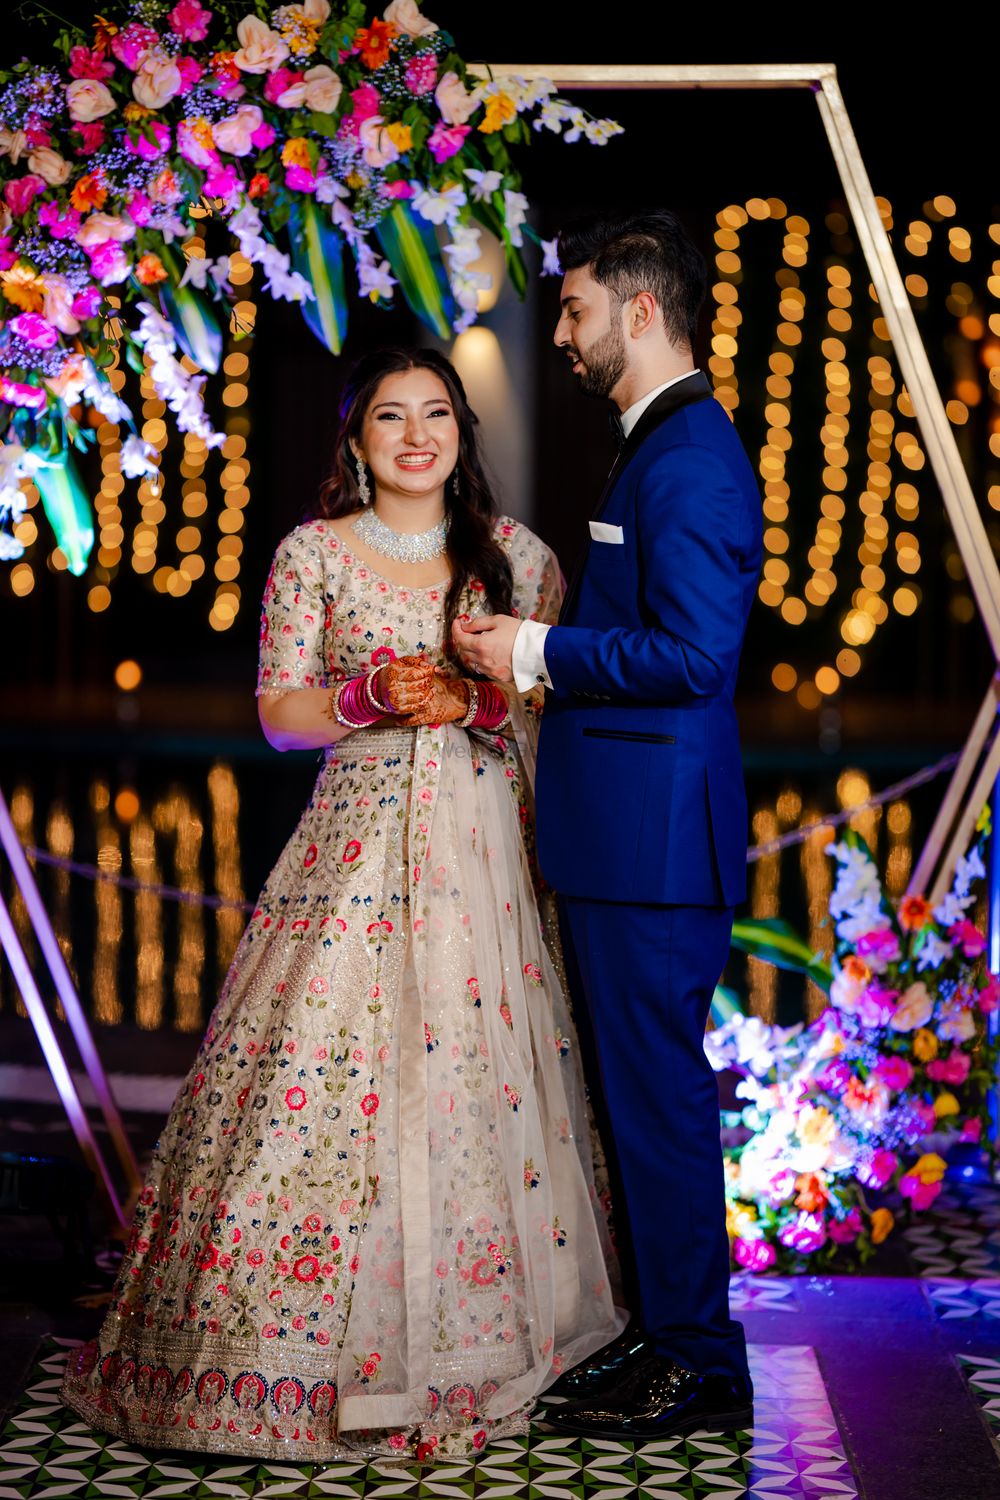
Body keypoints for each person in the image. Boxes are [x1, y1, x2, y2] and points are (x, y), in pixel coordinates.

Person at [61, 346, 623, 1463]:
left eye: (435, 415)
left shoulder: (520, 559)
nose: (417, 436)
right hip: (353, 853)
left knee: (476, 1078)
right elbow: (278, 715)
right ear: (355, 442)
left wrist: (475, 702)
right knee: (326, 1077)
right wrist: (369, 696)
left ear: (461, 430)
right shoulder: (312, 555)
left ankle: (486, 1345)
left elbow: (547, 715)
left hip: (487, 866)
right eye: (388, 419)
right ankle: (281, 1357)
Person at [453, 210, 764, 1439]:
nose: (565, 334)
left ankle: (700, 1360)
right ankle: (663, 1334)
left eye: (576, 310)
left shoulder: (688, 458)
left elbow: (694, 656)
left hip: (651, 853)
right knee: (634, 1104)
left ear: (639, 310)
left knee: (660, 1103)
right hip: (623, 844)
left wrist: (532, 648)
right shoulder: (655, 445)